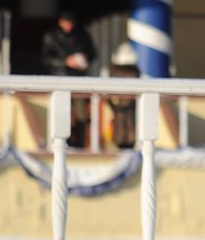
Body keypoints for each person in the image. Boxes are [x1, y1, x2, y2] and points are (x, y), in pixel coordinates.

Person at [40, 14, 95, 148]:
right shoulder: (51, 37)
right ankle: (64, 142)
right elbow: (45, 59)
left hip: (79, 80)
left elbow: (93, 53)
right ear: (61, 22)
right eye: (67, 22)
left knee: (80, 112)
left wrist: (83, 59)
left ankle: (80, 142)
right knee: (62, 111)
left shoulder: (82, 35)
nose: (69, 26)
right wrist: (65, 62)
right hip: (59, 78)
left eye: (71, 23)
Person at [104, 42, 140, 150]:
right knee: (130, 126)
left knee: (119, 127)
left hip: (119, 106)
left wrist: (112, 104)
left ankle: (121, 146)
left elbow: (107, 91)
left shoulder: (114, 71)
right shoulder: (135, 71)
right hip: (130, 107)